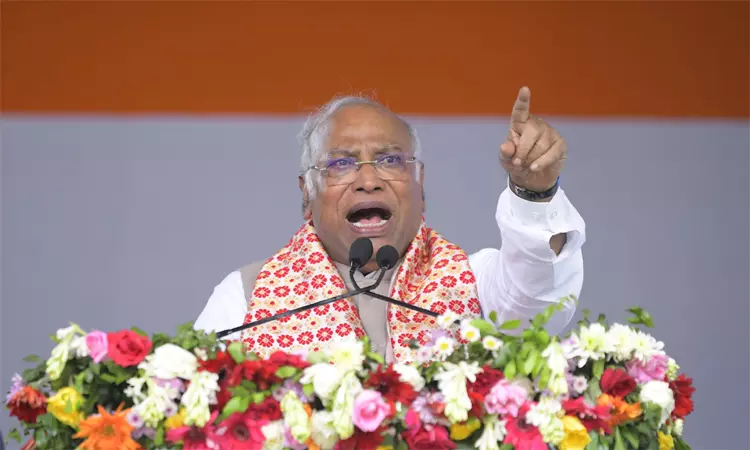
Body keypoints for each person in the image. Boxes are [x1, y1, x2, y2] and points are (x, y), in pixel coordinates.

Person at [195, 87, 586, 363]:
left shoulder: (475, 281)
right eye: (341, 164)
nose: (369, 180)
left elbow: (538, 305)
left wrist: (534, 192)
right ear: (307, 195)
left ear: (420, 185)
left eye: (390, 160)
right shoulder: (246, 296)